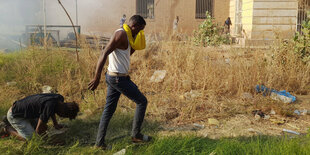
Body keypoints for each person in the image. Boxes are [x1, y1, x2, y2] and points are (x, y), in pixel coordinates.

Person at [88, 15, 150, 150]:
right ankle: (136, 135)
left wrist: (133, 47)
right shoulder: (121, 34)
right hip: (118, 79)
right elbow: (104, 53)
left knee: (108, 110)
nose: (140, 33)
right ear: (134, 26)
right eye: (139, 30)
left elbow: (125, 54)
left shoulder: (128, 35)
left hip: (115, 77)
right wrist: (96, 77)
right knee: (142, 101)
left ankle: (99, 144)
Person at [2, 93, 79, 141]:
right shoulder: (49, 106)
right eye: (63, 116)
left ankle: (9, 121)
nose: (61, 117)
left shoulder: (59, 98)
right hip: (15, 115)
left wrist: (55, 123)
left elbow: (52, 109)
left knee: (42, 126)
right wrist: (50, 140)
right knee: (31, 139)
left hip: (26, 112)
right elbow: (39, 130)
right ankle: (7, 129)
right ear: (63, 112)